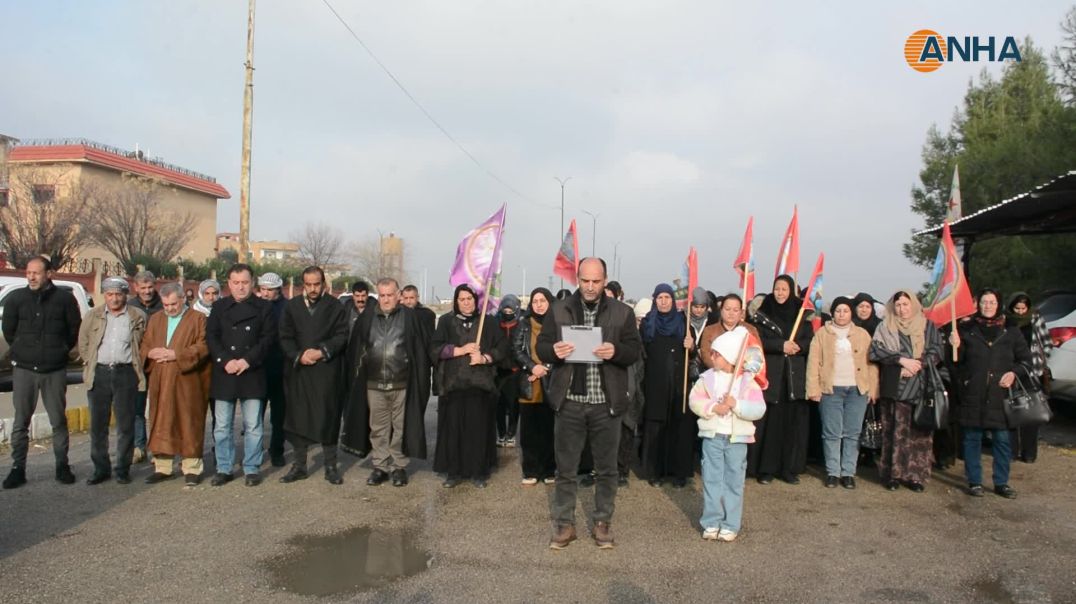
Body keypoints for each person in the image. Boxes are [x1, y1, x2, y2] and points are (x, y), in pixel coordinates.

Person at [537, 258, 642, 550]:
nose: (590, 287)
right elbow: (541, 346)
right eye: (585, 281)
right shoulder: (559, 310)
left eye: (596, 281)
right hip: (569, 402)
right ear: (577, 279)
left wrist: (617, 350)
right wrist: (553, 351)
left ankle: (602, 523)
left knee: (607, 469)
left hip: (605, 404)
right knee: (565, 469)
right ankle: (564, 525)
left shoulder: (623, 313)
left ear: (605, 280)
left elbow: (634, 351)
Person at [342, 278, 432, 487]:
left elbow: (421, 349)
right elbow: (356, 348)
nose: (386, 299)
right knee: (378, 428)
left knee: (400, 428)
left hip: (402, 383)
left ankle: (398, 467)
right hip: (374, 383)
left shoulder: (410, 318)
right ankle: (380, 466)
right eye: (382, 295)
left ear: (398, 295)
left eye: (390, 295)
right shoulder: (367, 317)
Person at [2, 256, 81, 489]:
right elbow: (9, 331)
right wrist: (22, 349)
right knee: (20, 422)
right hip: (24, 369)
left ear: (49, 274)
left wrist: (59, 351)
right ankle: (18, 469)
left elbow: (72, 330)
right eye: (28, 273)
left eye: (36, 273)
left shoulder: (65, 300)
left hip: (54, 370)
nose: (32, 277)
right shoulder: (17, 299)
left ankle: (62, 466)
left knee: (58, 420)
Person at [949, 289, 1031, 499]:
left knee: (1003, 441)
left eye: (992, 302)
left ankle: (1001, 482)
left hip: (1000, 395)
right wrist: (953, 348)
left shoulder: (1011, 330)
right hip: (973, 393)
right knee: (972, 439)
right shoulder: (966, 329)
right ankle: (974, 481)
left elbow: (1026, 361)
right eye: (984, 302)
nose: (987, 306)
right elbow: (955, 364)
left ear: (999, 304)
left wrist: (1013, 373)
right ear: (978, 304)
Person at [688, 326, 766, 542]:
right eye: (712, 353)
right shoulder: (707, 378)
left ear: (730, 357)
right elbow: (694, 401)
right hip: (713, 436)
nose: (712, 357)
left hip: (736, 440)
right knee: (712, 480)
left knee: (734, 481)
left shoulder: (747, 382)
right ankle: (711, 521)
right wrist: (713, 407)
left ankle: (731, 523)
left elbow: (759, 409)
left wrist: (737, 405)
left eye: (717, 354)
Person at [277, 267, 350, 485]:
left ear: (324, 283)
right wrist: (299, 355)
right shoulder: (292, 307)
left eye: (316, 284)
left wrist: (320, 352)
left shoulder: (335, 306)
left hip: (326, 371)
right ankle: (299, 466)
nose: (312, 289)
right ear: (302, 285)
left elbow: (342, 335)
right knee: (298, 417)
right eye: (308, 284)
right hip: (299, 371)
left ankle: (330, 466)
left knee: (328, 416)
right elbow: (284, 336)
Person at [206, 263, 277, 487]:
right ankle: (224, 467)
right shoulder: (218, 307)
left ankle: (252, 467)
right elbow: (211, 337)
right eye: (236, 283)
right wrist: (225, 360)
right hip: (225, 372)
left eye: (245, 282)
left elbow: (268, 339)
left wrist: (247, 360)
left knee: (253, 425)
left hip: (252, 371)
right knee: (222, 425)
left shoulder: (264, 307)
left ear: (252, 282)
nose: (240, 287)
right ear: (228, 284)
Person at [430, 284, 507, 488]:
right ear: (456, 301)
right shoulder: (446, 321)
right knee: (453, 430)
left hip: (479, 385)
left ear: (476, 300)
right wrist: (459, 350)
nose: (466, 303)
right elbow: (435, 348)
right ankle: (454, 472)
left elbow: (502, 348)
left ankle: (478, 471)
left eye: (470, 299)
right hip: (453, 385)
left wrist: (484, 357)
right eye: (462, 299)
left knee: (478, 430)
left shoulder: (488, 322)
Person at [869, 290, 943, 492]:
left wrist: (917, 364)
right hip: (895, 386)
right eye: (898, 305)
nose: (902, 309)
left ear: (914, 305)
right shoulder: (885, 326)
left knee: (919, 433)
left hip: (920, 385)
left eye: (905, 304)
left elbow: (937, 351)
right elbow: (875, 351)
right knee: (894, 432)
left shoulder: (927, 326)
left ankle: (915, 476)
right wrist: (900, 361)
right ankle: (892, 474)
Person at [78, 277, 146, 485]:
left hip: (126, 374)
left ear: (126, 295)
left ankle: (122, 469)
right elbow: (84, 343)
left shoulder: (137, 316)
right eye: (110, 294)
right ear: (104, 295)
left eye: (118, 294)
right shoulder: (93, 316)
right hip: (99, 374)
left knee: (125, 425)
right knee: (98, 426)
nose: (114, 298)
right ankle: (100, 468)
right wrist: (91, 363)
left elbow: (143, 344)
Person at [142, 283, 211, 486]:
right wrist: (150, 353)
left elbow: (203, 346)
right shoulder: (156, 319)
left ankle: (192, 468)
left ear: (183, 299)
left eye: (174, 303)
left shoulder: (198, 319)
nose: (170, 308)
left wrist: (176, 354)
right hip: (161, 380)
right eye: (166, 304)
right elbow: (145, 343)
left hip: (187, 381)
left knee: (188, 421)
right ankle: (163, 467)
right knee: (161, 420)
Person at [806, 296, 878, 489]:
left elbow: (871, 364)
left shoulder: (862, 334)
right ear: (833, 312)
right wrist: (813, 388)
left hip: (857, 389)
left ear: (851, 313)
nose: (841, 314)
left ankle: (848, 472)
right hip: (830, 389)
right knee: (831, 433)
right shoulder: (822, 333)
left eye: (845, 311)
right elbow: (813, 363)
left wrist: (873, 388)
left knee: (852, 432)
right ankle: (832, 471)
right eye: (838, 310)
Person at [749, 275, 813, 485]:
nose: (780, 293)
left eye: (784, 289)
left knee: (791, 425)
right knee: (770, 426)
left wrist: (799, 347)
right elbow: (758, 340)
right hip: (772, 377)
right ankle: (766, 469)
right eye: (777, 288)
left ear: (791, 291)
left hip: (794, 378)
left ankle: (787, 469)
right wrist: (780, 346)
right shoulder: (763, 312)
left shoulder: (801, 313)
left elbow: (809, 339)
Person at [639, 283, 697, 488]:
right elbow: (641, 352)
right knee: (656, 426)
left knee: (679, 427)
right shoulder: (647, 323)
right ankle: (655, 472)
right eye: (659, 298)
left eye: (667, 297)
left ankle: (678, 472)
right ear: (654, 300)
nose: (663, 301)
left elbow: (693, 354)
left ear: (673, 300)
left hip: (679, 384)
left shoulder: (683, 322)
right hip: (655, 383)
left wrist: (692, 345)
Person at [513, 288, 557, 485]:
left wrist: (545, 368)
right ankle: (530, 470)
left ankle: (549, 470)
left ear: (550, 302)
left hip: (551, 381)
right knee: (529, 431)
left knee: (549, 429)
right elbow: (516, 349)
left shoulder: (557, 324)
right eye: (535, 301)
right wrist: (532, 366)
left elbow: (562, 350)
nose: (539, 304)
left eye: (543, 300)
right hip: (529, 381)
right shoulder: (523, 323)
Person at [1006, 292, 1052, 463]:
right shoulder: (1006, 321)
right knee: (1011, 411)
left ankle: (1029, 452)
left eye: (1023, 308)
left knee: (1032, 413)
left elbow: (1046, 342)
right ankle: (1011, 451)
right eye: (1016, 308)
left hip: (1032, 372)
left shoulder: (1035, 318)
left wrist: (1037, 360)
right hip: (1010, 371)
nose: (1020, 312)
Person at [128, 270, 162, 464]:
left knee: (159, 407)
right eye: (143, 288)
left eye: (150, 287)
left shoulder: (163, 305)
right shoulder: (130, 306)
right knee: (137, 408)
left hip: (160, 364)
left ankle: (158, 446)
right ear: (136, 288)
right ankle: (139, 447)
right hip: (138, 364)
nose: (147, 291)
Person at [257, 272, 288, 467]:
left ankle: (277, 451)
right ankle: (255, 451)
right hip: (258, 368)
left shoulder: (288, 308)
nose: (266, 294)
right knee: (254, 416)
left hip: (281, 368)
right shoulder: (255, 306)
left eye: (270, 290)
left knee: (279, 415)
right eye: (263, 290)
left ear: (279, 289)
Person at [699, 294, 761, 369]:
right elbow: (706, 355)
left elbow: (757, 354)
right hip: (716, 373)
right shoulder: (709, 330)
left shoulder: (750, 330)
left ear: (741, 312)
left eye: (735, 310)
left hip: (742, 375)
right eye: (727, 309)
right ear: (721, 310)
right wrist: (722, 369)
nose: (731, 313)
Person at [495, 295, 523, 447]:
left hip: (514, 371)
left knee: (513, 405)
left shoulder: (521, 325)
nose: (507, 312)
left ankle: (511, 433)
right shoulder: (495, 325)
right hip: (498, 372)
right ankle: (501, 433)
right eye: (505, 309)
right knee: (499, 405)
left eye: (510, 309)